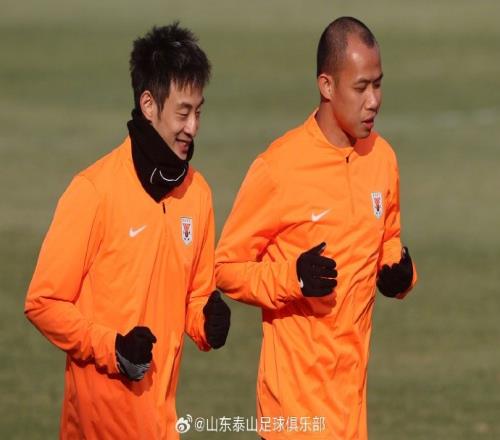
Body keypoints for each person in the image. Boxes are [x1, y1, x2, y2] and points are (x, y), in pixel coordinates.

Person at [25, 23, 230, 439]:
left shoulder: (198, 194)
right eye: (183, 113)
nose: (193, 127)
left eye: (199, 112)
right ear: (149, 105)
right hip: (96, 427)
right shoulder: (93, 191)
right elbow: (43, 302)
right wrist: (113, 348)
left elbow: (196, 294)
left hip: (161, 424)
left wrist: (206, 321)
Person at [215, 17, 417, 440]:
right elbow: (226, 268)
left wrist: (401, 275)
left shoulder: (382, 159)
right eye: (360, 88)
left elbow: (388, 239)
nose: (373, 101)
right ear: (327, 85)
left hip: (351, 414)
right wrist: (293, 279)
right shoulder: (278, 168)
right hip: (293, 414)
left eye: (378, 85)